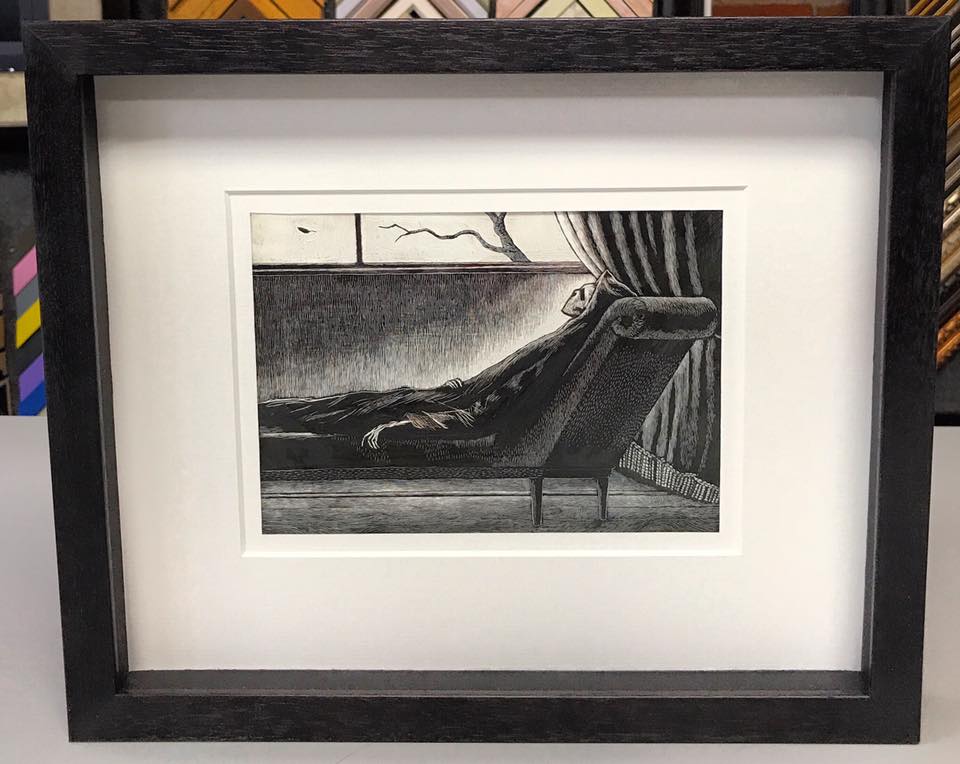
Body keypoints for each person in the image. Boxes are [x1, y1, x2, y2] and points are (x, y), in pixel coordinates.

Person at [258, 271, 635, 451]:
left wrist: (407, 426)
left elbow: (485, 415)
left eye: (584, 292)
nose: (574, 293)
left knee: (344, 411)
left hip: (450, 405)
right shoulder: (566, 339)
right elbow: (503, 384)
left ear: (590, 309)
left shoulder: (563, 345)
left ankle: (262, 416)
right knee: (349, 403)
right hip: (454, 394)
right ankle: (263, 414)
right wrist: (463, 388)